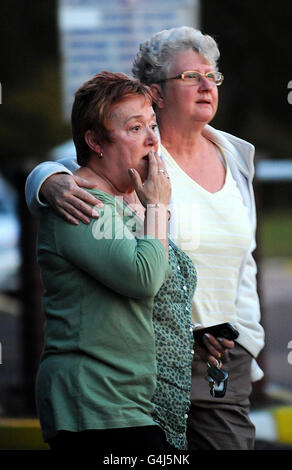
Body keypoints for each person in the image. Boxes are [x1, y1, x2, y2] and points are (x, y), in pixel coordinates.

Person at [26, 26, 265, 450]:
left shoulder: (234, 155)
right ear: (157, 91)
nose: (207, 85)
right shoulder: (129, 165)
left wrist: (244, 333)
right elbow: (74, 171)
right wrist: (45, 180)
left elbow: (245, 260)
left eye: (213, 76)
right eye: (190, 76)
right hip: (124, 376)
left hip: (216, 354)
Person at [35, 71, 198, 453]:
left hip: (128, 404)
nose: (152, 138)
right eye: (135, 127)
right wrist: (157, 206)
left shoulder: (124, 202)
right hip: (96, 404)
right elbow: (143, 278)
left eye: (153, 125)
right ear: (95, 141)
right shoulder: (83, 203)